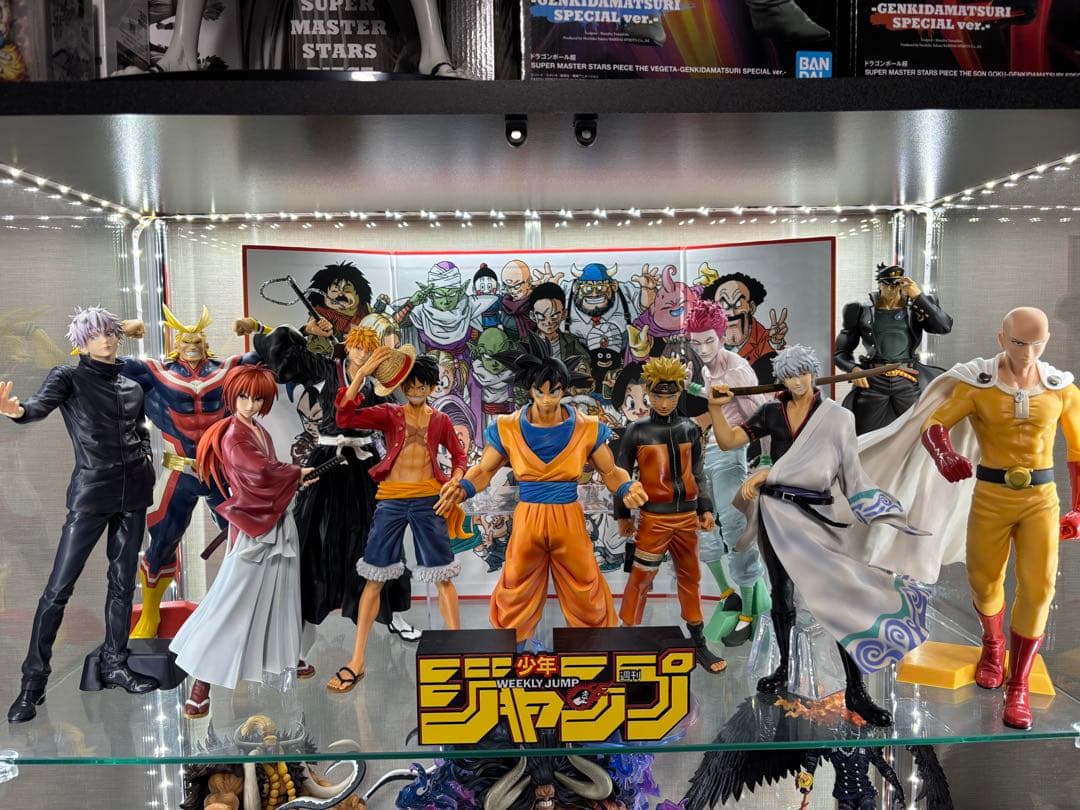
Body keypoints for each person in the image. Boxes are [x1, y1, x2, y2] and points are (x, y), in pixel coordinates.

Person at [708, 345, 930, 727]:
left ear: (812, 373)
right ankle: (783, 668)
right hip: (776, 515)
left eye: (802, 373)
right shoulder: (772, 412)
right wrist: (716, 407)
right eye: (789, 376)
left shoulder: (838, 418)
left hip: (817, 516)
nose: (797, 382)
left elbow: (848, 474)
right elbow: (729, 441)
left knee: (838, 598)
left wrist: (771, 474)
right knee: (781, 596)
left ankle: (856, 688)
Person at [917, 307, 1079, 730]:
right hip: (991, 495)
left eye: (1037, 343)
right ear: (1002, 338)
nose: (1028, 352)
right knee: (984, 580)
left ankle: (1018, 683)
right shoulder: (978, 384)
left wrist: (1079, 506)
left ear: (1047, 342)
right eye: (1020, 342)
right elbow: (934, 423)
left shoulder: (1061, 388)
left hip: (1040, 499)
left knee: (1040, 588)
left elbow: (1079, 450)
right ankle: (992, 642)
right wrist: (944, 455)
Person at [2, 307, 158, 723]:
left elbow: (141, 431)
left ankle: (115, 664)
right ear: (81, 343)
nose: (104, 339)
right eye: (94, 335)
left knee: (123, 583)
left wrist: (148, 464)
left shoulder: (132, 385)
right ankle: (32, 684)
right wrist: (17, 411)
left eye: (109, 333)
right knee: (58, 588)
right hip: (91, 493)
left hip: (134, 494)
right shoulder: (68, 377)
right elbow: (38, 407)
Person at [435, 352, 648, 645]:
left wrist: (627, 488)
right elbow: (484, 470)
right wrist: (463, 487)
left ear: (564, 389)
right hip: (528, 518)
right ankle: (515, 651)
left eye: (554, 391)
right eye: (540, 391)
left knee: (585, 588)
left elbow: (610, 471)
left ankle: (593, 651)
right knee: (516, 588)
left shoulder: (586, 426)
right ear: (530, 390)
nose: (547, 399)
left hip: (568, 518)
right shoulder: (508, 426)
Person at [240, 320, 419, 659]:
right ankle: (302, 621)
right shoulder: (325, 367)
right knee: (311, 537)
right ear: (348, 345)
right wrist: (308, 330)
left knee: (380, 536)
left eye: (369, 349)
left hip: (365, 464)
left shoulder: (379, 383)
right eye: (358, 347)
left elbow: (400, 419)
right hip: (326, 460)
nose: (362, 353)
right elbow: (278, 351)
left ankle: (391, 612)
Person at [170, 365, 314, 718]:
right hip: (255, 527)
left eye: (258, 399)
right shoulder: (235, 435)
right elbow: (260, 472)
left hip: (275, 521)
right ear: (232, 396)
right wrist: (295, 473)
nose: (250, 405)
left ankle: (287, 658)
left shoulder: (257, 429)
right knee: (232, 602)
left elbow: (269, 469)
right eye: (244, 397)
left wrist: (293, 477)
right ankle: (201, 682)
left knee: (282, 594)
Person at [326, 352, 466, 693]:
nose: (416, 391)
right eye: (411, 386)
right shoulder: (391, 413)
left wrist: (456, 479)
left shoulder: (440, 420)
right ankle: (357, 659)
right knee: (374, 578)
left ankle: (460, 653)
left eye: (423, 386)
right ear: (403, 386)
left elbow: (459, 455)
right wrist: (363, 373)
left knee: (443, 577)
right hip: (391, 498)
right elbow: (344, 416)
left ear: (432, 387)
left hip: (429, 499)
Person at [117, 305, 259, 638]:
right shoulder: (155, 372)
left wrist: (257, 326)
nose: (192, 344)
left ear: (206, 342)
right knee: (161, 541)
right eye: (185, 340)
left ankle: (241, 611)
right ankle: (150, 613)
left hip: (221, 469)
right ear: (175, 343)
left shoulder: (228, 370)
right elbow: (97, 360)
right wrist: (120, 330)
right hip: (179, 471)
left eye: (197, 340)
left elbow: (281, 352)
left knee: (246, 541)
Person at [615, 356, 726, 674]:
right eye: (657, 395)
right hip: (653, 519)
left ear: (679, 393)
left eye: (671, 395)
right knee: (641, 578)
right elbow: (620, 476)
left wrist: (705, 508)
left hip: (687, 519)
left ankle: (698, 643)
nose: (664, 402)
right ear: (648, 392)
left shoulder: (689, 428)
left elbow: (698, 474)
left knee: (691, 578)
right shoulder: (637, 431)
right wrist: (622, 514)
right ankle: (626, 637)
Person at [686, 300, 771, 646]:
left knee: (736, 528)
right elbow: (713, 395)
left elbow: (762, 415)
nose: (704, 349)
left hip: (732, 452)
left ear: (722, 336)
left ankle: (748, 614)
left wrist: (766, 461)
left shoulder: (737, 370)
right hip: (709, 451)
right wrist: (689, 387)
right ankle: (728, 595)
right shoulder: (709, 368)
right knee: (704, 525)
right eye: (697, 342)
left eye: (709, 341)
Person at [835, 264, 953, 434]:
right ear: (880, 284)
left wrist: (918, 297)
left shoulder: (917, 308)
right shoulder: (859, 311)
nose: (893, 289)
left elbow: (944, 327)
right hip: (873, 380)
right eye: (888, 284)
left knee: (916, 434)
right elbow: (840, 353)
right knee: (864, 436)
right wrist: (853, 370)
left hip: (908, 378)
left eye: (897, 284)